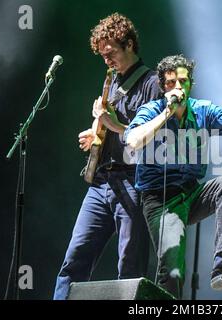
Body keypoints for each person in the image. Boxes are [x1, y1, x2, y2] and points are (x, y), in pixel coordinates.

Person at [124, 54, 222, 299]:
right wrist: (166, 113)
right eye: (172, 82)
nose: (178, 87)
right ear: (163, 86)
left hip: (192, 193)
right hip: (161, 202)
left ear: (190, 84)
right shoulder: (151, 111)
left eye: (183, 82)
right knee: (173, 274)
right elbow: (132, 140)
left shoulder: (203, 110)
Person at [53, 13, 162, 300]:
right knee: (74, 260)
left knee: (130, 267)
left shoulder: (153, 83)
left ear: (128, 44)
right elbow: (111, 128)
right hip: (101, 184)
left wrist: (113, 124)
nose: (106, 60)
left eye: (110, 53)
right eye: (102, 55)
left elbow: (153, 140)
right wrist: (96, 137)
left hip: (133, 182)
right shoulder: (111, 82)